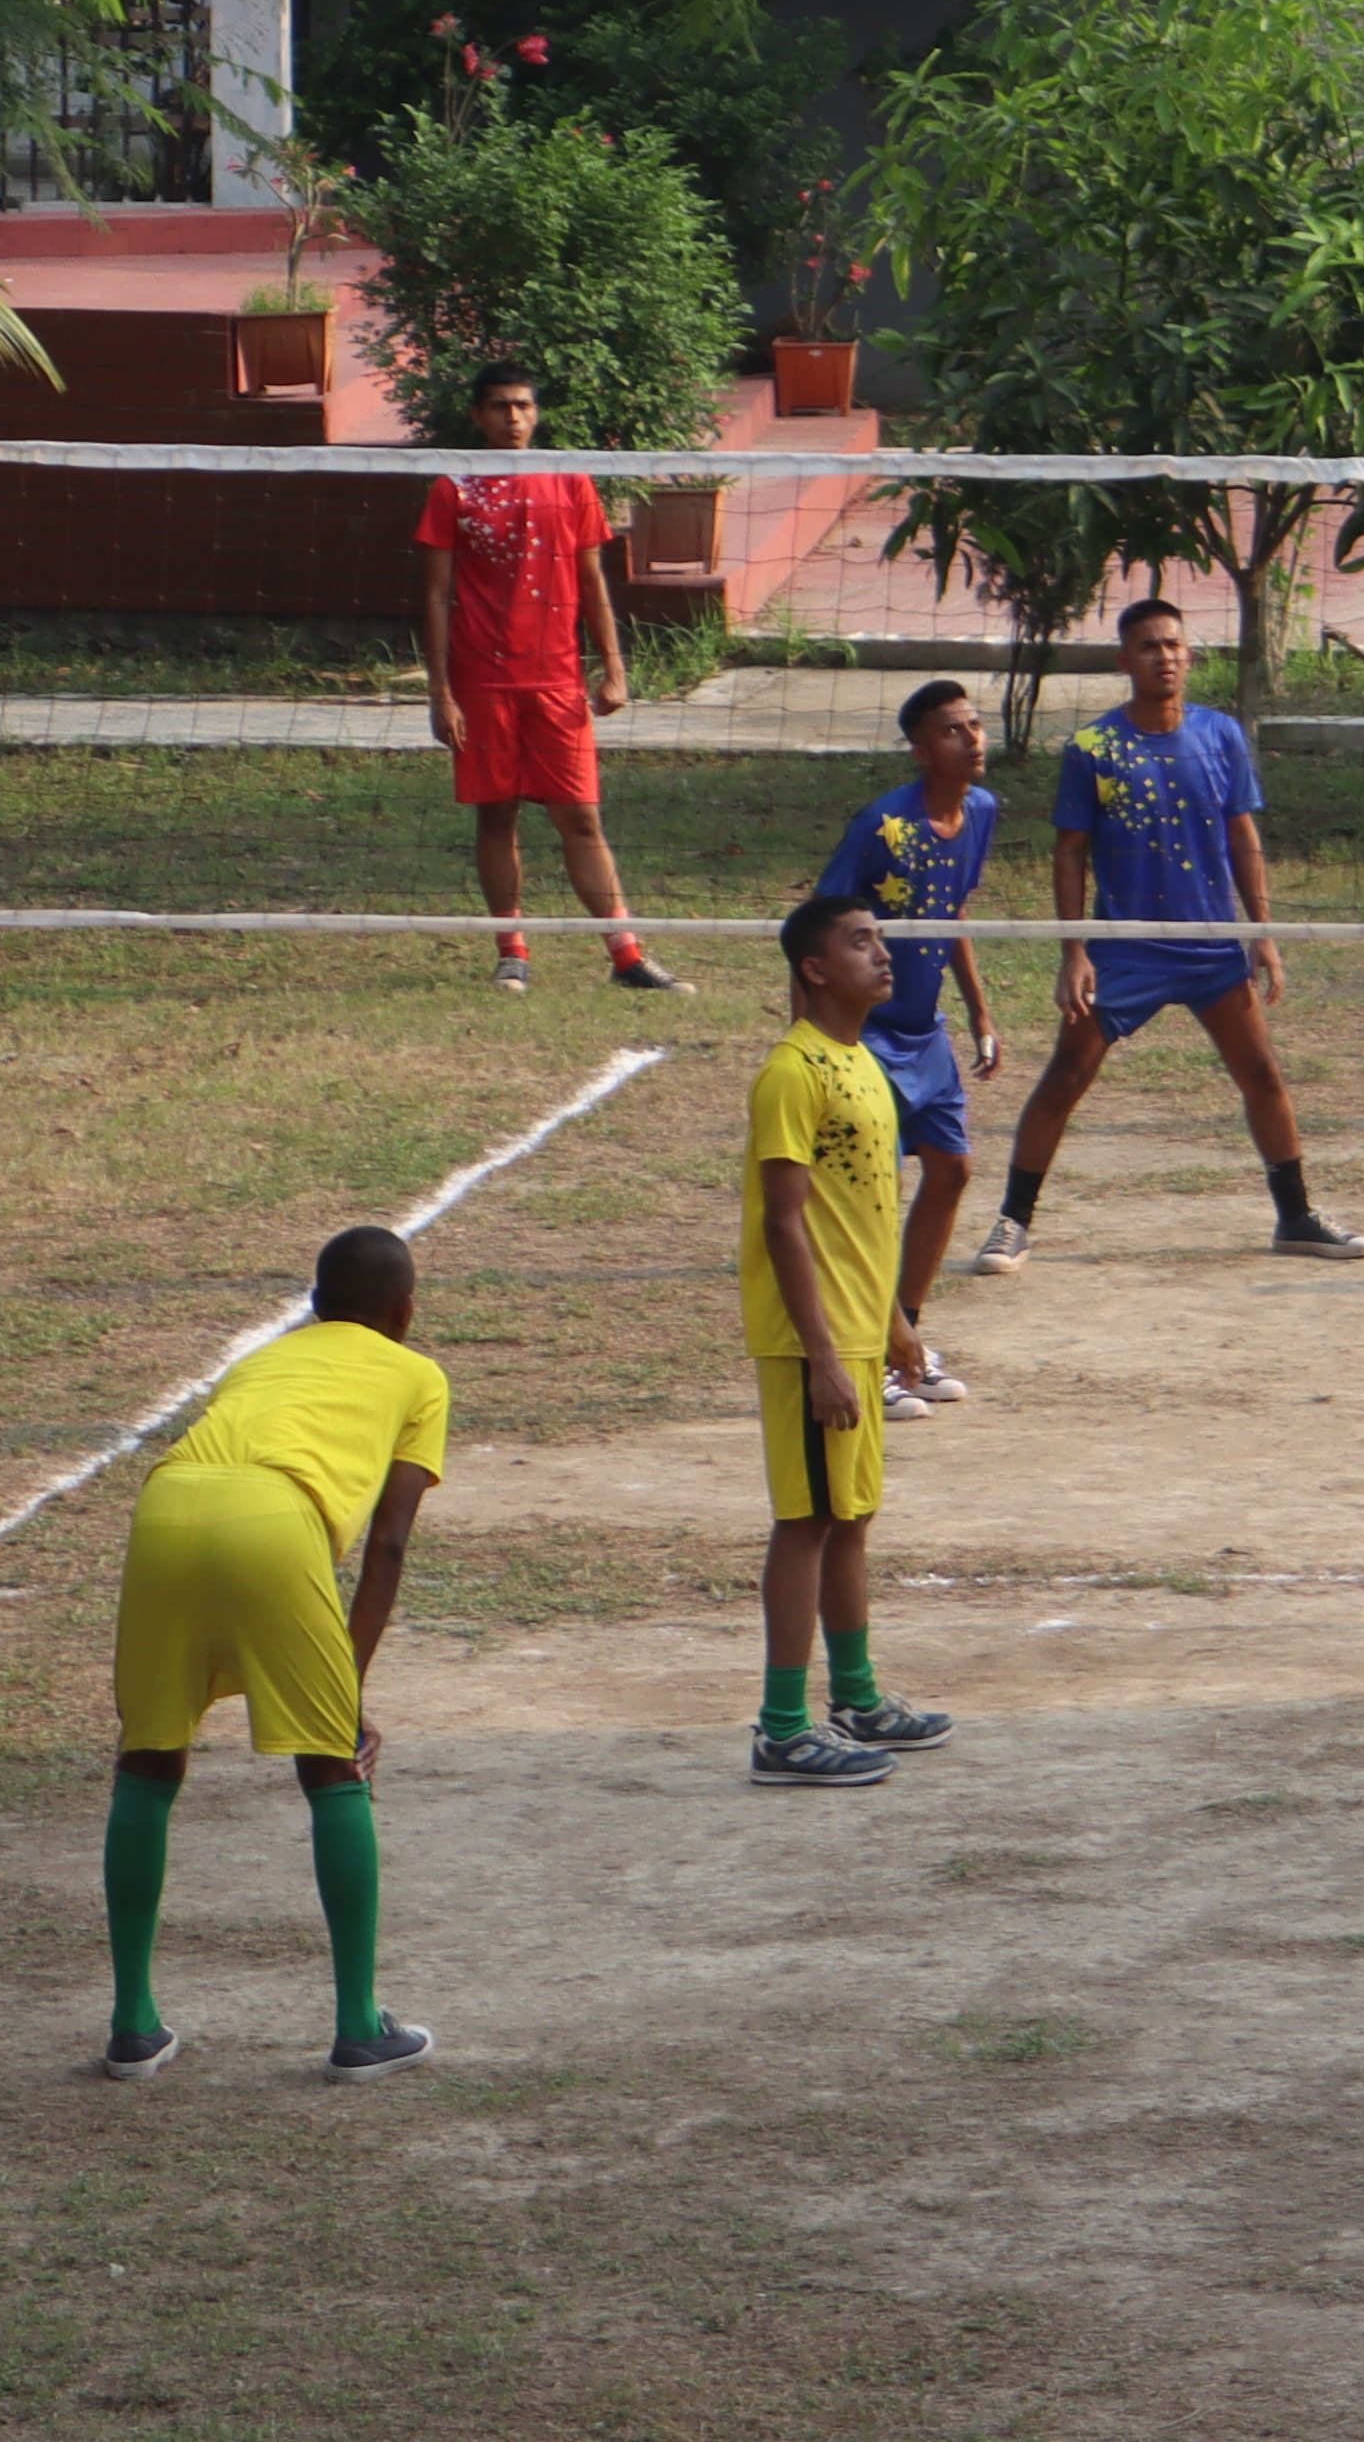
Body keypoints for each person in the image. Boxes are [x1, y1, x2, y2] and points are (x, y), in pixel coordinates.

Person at [99, 1220, 453, 2078]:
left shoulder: (258, 1360)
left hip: (166, 1506)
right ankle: (359, 2025)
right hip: (274, 1520)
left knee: (149, 1759)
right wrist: (348, 1687)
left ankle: (132, 2025)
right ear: (405, 1310)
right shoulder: (417, 1375)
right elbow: (391, 1544)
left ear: (312, 1305)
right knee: (331, 1765)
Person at [976, 597, 1364, 1270]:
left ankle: (1296, 1216)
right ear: (1124, 660)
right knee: (1067, 1075)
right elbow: (1069, 850)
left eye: (1174, 645)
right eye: (1150, 647)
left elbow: (1243, 833)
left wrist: (1261, 932)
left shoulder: (1220, 736)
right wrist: (1073, 949)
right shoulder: (1093, 747)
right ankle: (1013, 1222)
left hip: (1213, 945)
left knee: (1264, 1077)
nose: (1164, 656)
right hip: (1126, 947)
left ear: (1189, 655)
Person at [747, 891, 957, 1786]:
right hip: (812, 1344)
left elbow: (861, 1214)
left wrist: (895, 1320)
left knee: (853, 1516)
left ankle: (857, 1696)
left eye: (882, 939)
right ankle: (783, 1728)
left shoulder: (862, 1062)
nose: (885, 955)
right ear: (814, 968)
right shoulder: (793, 1073)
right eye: (862, 942)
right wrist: (828, 1352)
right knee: (808, 1522)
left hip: (860, 1335)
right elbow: (785, 1225)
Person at [415, 361, 681, 998]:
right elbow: (433, 595)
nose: (513, 418)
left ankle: (627, 955)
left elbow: (593, 581)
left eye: (524, 406)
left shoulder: (570, 480)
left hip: (557, 683)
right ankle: (512, 952)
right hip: (482, 684)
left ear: (536, 414)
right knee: (496, 817)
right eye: (501, 407)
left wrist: (614, 667)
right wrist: (441, 692)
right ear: (478, 416)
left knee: (581, 819)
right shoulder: (453, 488)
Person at [816, 681, 1003, 1411]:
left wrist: (981, 1012)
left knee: (952, 1172)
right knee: (871, 1197)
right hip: (870, 1036)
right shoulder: (882, 825)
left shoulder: (981, 812)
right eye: (954, 731)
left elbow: (951, 912)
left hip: (927, 1035)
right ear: (923, 751)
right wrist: (822, 1041)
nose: (973, 738)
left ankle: (907, 1342)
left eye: (975, 725)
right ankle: (875, 1355)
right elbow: (819, 924)